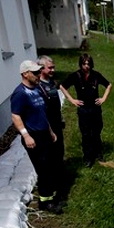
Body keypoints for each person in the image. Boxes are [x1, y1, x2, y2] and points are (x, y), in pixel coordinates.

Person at [11, 60, 63, 214]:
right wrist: (26, 135)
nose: (38, 75)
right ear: (25, 74)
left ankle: (51, 196)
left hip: (44, 133)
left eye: (39, 72)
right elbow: (15, 116)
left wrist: (50, 131)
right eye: (34, 73)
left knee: (50, 165)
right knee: (43, 168)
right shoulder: (20, 93)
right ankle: (46, 202)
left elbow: (42, 114)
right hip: (33, 136)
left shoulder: (36, 90)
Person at [60, 53, 112, 168]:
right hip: (83, 110)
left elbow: (109, 85)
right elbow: (62, 86)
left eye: (88, 63)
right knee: (86, 134)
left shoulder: (96, 75)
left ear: (91, 64)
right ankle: (88, 157)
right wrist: (72, 100)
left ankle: (98, 153)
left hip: (95, 109)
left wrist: (103, 98)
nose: (86, 66)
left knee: (97, 132)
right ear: (81, 64)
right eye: (84, 63)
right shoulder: (75, 76)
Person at [36, 55, 65, 191]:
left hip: (57, 122)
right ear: (41, 69)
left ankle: (60, 178)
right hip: (47, 127)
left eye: (53, 67)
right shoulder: (39, 87)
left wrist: (61, 118)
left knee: (59, 151)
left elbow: (56, 103)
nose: (53, 70)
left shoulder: (51, 83)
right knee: (50, 156)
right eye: (50, 68)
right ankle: (52, 185)